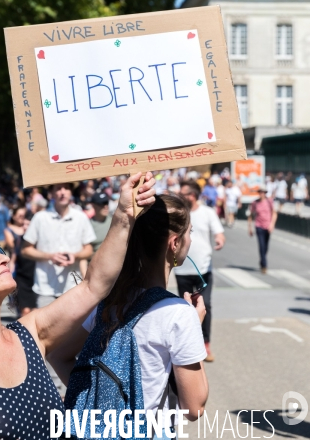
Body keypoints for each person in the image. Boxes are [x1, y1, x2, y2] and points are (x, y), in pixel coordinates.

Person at [0, 172, 155, 440]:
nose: (2, 257)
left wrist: (123, 215)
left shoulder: (29, 334)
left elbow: (93, 285)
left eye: (0, 250)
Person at [49, 194, 208, 436]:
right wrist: (194, 328)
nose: (190, 239)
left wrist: (99, 403)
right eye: (190, 232)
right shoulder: (178, 314)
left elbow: (59, 355)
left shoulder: (109, 300)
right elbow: (194, 408)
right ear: (174, 243)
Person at [21, 181, 96, 394]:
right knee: (46, 342)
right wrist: (49, 256)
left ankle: (75, 390)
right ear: (51, 193)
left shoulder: (80, 217)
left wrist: (76, 255)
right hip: (45, 288)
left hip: (72, 289)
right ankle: (52, 392)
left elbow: (88, 248)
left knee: (75, 342)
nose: (62, 192)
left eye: (66, 188)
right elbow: (26, 250)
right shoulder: (40, 218)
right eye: (57, 189)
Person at [175, 180, 225, 362]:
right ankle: (188, 345)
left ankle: (205, 343)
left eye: (183, 194)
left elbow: (219, 232)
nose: (180, 196)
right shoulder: (179, 213)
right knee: (186, 308)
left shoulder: (207, 212)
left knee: (206, 305)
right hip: (182, 270)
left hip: (204, 269)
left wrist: (220, 239)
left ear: (193, 196)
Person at [6, 207, 38, 317]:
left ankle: (32, 332)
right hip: (21, 277)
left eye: (28, 224)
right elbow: (14, 256)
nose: (25, 227)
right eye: (23, 224)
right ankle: (24, 331)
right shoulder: (19, 239)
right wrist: (10, 271)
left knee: (33, 310)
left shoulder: (38, 241)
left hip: (34, 277)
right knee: (25, 311)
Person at [80, 191, 112, 277]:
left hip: (115, 269)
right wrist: (84, 277)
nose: (105, 206)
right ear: (93, 205)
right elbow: (83, 256)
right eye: (101, 204)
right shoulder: (87, 225)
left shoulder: (115, 221)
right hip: (95, 272)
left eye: (106, 203)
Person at [248, 184, 278, 274]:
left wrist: (272, 224)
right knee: (261, 246)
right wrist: (249, 227)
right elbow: (251, 215)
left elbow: (274, 213)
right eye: (260, 192)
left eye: (263, 192)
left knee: (265, 247)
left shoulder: (270, 201)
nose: (261, 194)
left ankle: (262, 260)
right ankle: (264, 265)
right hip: (259, 226)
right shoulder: (255, 202)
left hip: (267, 226)